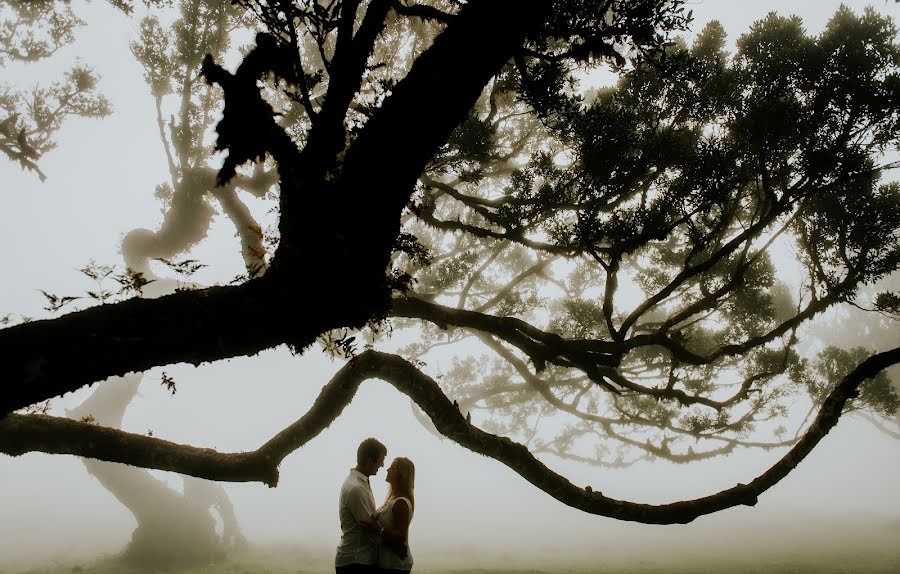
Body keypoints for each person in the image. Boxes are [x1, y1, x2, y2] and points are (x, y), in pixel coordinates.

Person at [335, 437, 387, 574]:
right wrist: (395, 543)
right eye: (380, 460)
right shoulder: (356, 488)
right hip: (356, 561)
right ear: (370, 461)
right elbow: (369, 528)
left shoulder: (361, 483)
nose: (382, 465)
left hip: (359, 560)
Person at [375, 457, 415, 573]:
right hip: (387, 563)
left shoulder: (401, 502)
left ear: (401, 474)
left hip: (396, 565)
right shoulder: (392, 499)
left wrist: (378, 530)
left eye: (392, 468)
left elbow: (400, 535)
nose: (387, 470)